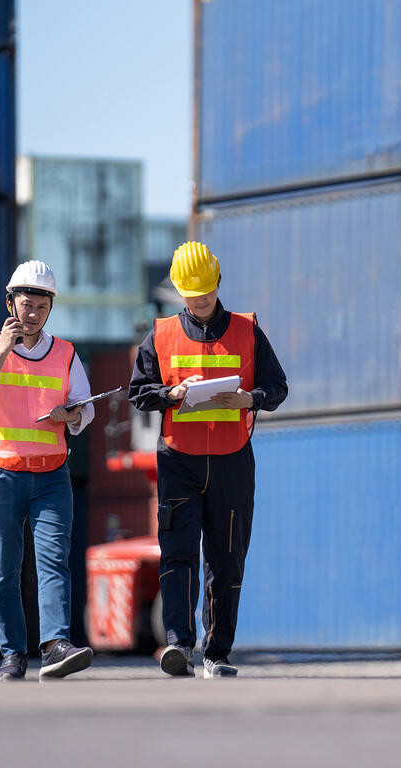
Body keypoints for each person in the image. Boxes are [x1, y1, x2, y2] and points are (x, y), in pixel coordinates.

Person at [129, 241, 287, 678]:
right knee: (177, 556)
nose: (198, 301)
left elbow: (277, 387)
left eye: (205, 292)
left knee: (227, 558)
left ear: (218, 282)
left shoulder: (248, 330)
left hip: (233, 462)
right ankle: (179, 645)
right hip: (179, 461)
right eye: (190, 294)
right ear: (179, 290)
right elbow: (138, 393)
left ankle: (217, 652)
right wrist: (171, 394)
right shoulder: (159, 335)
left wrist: (249, 398)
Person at [0, 260, 95, 682]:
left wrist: (72, 415)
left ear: (50, 308)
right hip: (2, 473)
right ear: (10, 303)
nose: (32, 313)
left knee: (54, 561)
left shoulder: (67, 353)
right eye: (25, 304)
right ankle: (13, 654)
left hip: (53, 475)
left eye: (40, 305)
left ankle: (55, 645)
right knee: (5, 567)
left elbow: (86, 407)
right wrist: (3, 350)